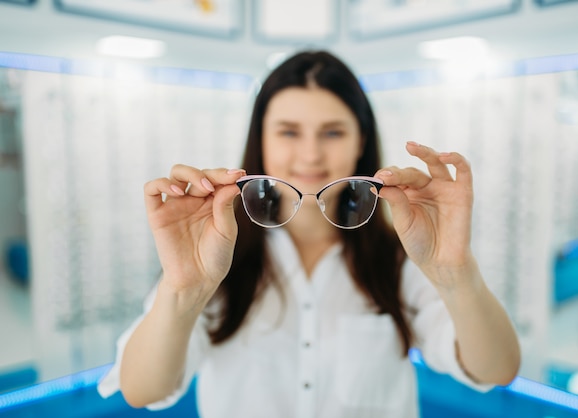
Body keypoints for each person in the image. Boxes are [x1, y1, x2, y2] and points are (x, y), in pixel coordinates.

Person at [97, 50, 521, 418]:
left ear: (361, 141)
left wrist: (455, 272)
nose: (311, 154)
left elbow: (495, 368)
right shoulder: (216, 254)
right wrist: (182, 290)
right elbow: (142, 390)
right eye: (288, 131)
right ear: (260, 140)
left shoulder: (402, 257)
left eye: (333, 132)